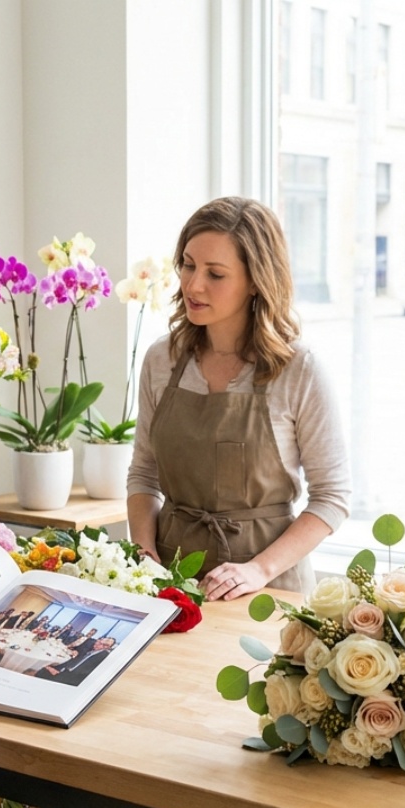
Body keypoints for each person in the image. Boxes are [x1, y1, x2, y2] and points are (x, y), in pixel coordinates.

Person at [127, 197, 351, 601]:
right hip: (170, 583)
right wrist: (143, 556)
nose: (194, 285)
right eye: (189, 264)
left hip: (269, 590)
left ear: (255, 281)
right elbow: (144, 474)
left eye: (215, 274)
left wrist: (257, 570)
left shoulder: (299, 368)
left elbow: (332, 498)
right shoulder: (162, 360)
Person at [37, 637, 116, 686]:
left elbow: (84, 674)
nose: (99, 645)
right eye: (99, 642)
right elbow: (76, 659)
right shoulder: (92, 649)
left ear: (108, 648)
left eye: (105, 645)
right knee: (43, 669)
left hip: (71, 679)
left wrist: (59, 673)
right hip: (66, 672)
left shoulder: (103, 657)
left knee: (44, 673)